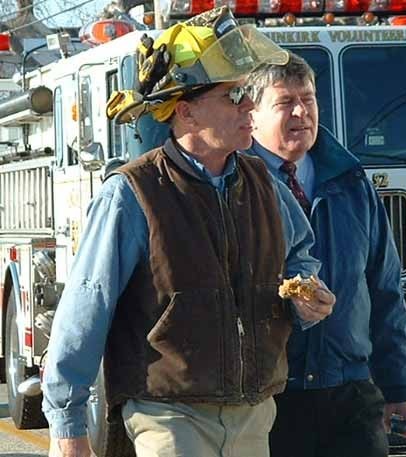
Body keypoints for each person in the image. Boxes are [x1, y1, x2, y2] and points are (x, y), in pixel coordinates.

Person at [42, 10, 335, 457]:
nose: (249, 107)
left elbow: (300, 261)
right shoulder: (131, 194)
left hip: (253, 414)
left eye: (247, 93)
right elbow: (85, 311)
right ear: (185, 110)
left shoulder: (266, 184)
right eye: (233, 95)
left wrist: (308, 298)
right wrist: (69, 425)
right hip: (168, 416)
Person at [245, 52, 406, 457]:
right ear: (251, 115)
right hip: (268, 398)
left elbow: (384, 290)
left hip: (351, 392)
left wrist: (398, 387)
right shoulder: (236, 185)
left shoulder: (351, 182)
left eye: (308, 99)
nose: (301, 112)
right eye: (285, 102)